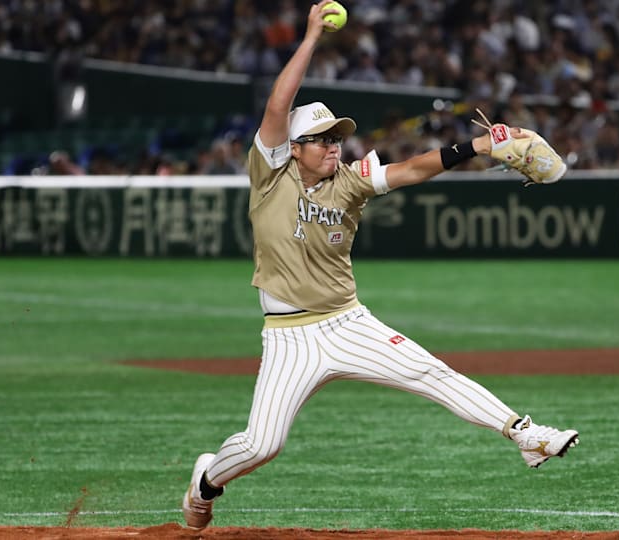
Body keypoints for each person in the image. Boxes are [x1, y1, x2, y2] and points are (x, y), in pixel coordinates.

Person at [181, 2, 580, 530]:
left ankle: (524, 434)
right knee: (263, 444)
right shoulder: (271, 175)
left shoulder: (349, 181)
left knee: (430, 371)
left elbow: (414, 169)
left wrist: (478, 146)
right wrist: (310, 40)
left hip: (348, 323)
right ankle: (206, 482)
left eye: (337, 137)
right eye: (322, 139)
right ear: (294, 149)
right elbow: (278, 105)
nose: (333, 145)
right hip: (288, 335)